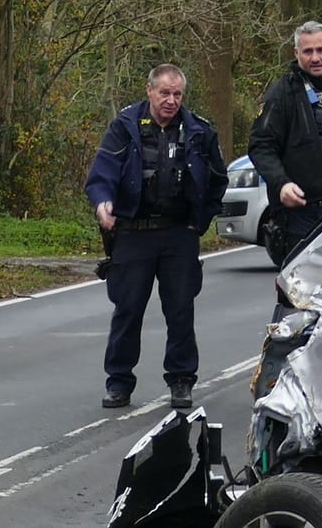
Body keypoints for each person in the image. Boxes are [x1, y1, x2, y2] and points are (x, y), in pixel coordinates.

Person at [83, 64, 228, 409]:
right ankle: (119, 382)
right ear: (149, 90)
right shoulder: (125, 127)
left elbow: (217, 181)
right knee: (128, 309)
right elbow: (101, 173)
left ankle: (181, 380)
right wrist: (103, 203)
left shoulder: (198, 131)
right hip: (134, 233)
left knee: (180, 310)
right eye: (164, 93)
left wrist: (201, 221)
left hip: (179, 234)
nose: (171, 100)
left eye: (177, 94)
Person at [248, 20, 322, 266]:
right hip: (304, 213)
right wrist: (282, 184)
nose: (315, 58)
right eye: (308, 51)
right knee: (302, 294)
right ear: (296, 53)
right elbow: (261, 145)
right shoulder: (283, 94)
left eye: (320, 50)